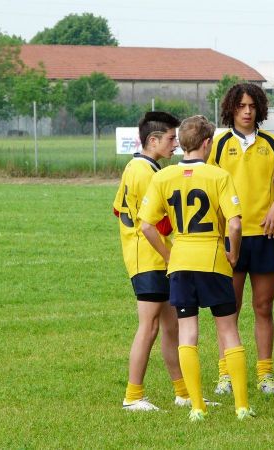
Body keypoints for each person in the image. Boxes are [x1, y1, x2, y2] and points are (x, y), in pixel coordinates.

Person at [139, 115, 255, 421]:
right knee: (228, 330)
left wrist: (168, 255)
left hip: (181, 261)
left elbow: (147, 225)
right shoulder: (218, 176)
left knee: (187, 332)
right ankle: (242, 405)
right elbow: (235, 223)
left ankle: (196, 407)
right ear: (207, 143)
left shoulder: (162, 178)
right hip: (213, 257)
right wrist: (233, 254)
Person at [207, 83, 274, 395]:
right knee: (228, 308)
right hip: (229, 238)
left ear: (260, 109)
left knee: (263, 306)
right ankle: (226, 374)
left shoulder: (273, 143)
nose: (247, 111)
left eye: (252, 106)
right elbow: (208, 188)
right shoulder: (217, 145)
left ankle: (265, 374)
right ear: (231, 108)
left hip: (265, 236)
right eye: (241, 106)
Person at [113, 111, 189, 411]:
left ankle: (183, 392)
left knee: (172, 326)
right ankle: (132, 396)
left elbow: (118, 209)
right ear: (153, 140)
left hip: (154, 257)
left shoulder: (137, 167)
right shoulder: (146, 173)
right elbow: (155, 223)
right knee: (150, 326)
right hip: (149, 259)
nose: (176, 145)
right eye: (171, 139)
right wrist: (172, 252)